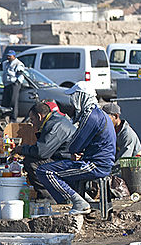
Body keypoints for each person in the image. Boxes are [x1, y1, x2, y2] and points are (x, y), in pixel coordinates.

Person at [35, 82, 116, 214]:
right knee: (64, 168)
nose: (72, 102)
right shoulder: (99, 114)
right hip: (101, 162)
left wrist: (75, 151)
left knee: (45, 171)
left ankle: (78, 202)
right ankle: (83, 199)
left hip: (96, 165)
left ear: (81, 97)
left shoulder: (91, 116)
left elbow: (75, 144)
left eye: (74, 97)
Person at [11, 101, 76, 197]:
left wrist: (22, 149)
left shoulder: (54, 125)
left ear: (39, 116)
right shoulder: (54, 120)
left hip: (67, 160)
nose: (32, 123)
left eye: (32, 119)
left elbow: (41, 152)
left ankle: (48, 195)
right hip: (63, 156)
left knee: (31, 162)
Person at [0, 50, 26, 117]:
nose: (8, 57)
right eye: (7, 56)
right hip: (6, 84)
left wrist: (17, 82)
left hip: (14, 84)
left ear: (14, 56)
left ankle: (13, 118)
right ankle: (5, 117)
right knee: (5, 101)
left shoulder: (18, 63)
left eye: (10, 56)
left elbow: (21, 74)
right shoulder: (5, 63)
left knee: (13, 102)